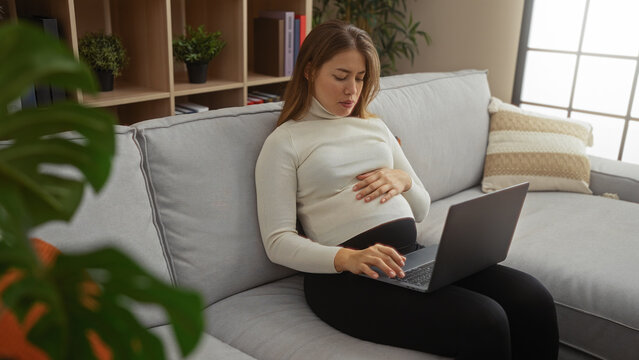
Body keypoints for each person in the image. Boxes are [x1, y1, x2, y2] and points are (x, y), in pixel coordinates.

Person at [255, 20, 559, 360]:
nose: (351, 90)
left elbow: (420, 208)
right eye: (340, 76)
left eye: (360, 78)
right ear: (309, 71)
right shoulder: (285, 142)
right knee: (486, 320)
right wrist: (348, 258)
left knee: (533, 297)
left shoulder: (374, 126)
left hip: (408, 256)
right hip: (346, 278)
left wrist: (405, 180)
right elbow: (277, 241)